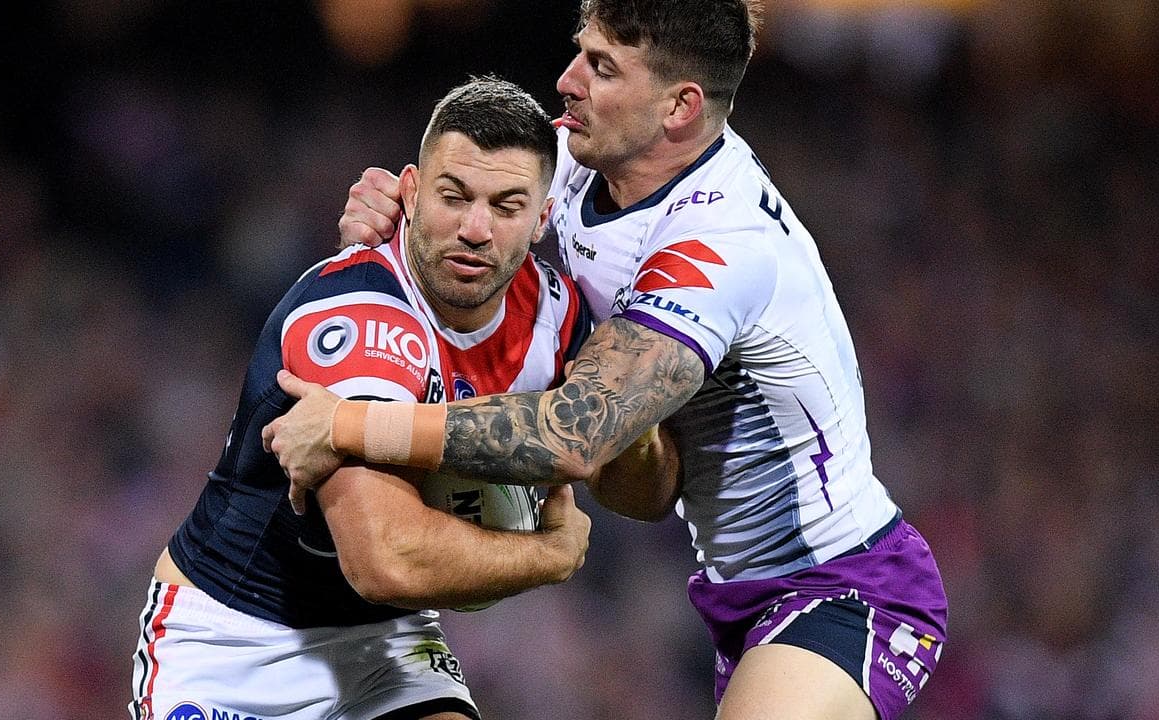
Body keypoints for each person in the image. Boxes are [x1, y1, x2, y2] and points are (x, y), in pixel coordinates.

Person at [260, 2, 949, 720]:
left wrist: (351, 426)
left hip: (848, 587)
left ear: (679, 106)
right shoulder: (575, 163)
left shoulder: (721, 243)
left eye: (602, 68)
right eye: (579, 52)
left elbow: (570, 437)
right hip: (736, 589)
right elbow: (641, 493)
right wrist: (388, 214)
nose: (565, 81)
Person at [130, 77, 675, 720]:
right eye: (454, 196)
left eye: (506, 206)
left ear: (541, 220)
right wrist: (544, 556)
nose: (475, 228)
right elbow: (382, 559)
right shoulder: (362, 312)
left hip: (385, 645)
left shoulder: (558, 317)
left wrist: (617, 414)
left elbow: (649, 495)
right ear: (410, 193)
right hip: (236, 642)